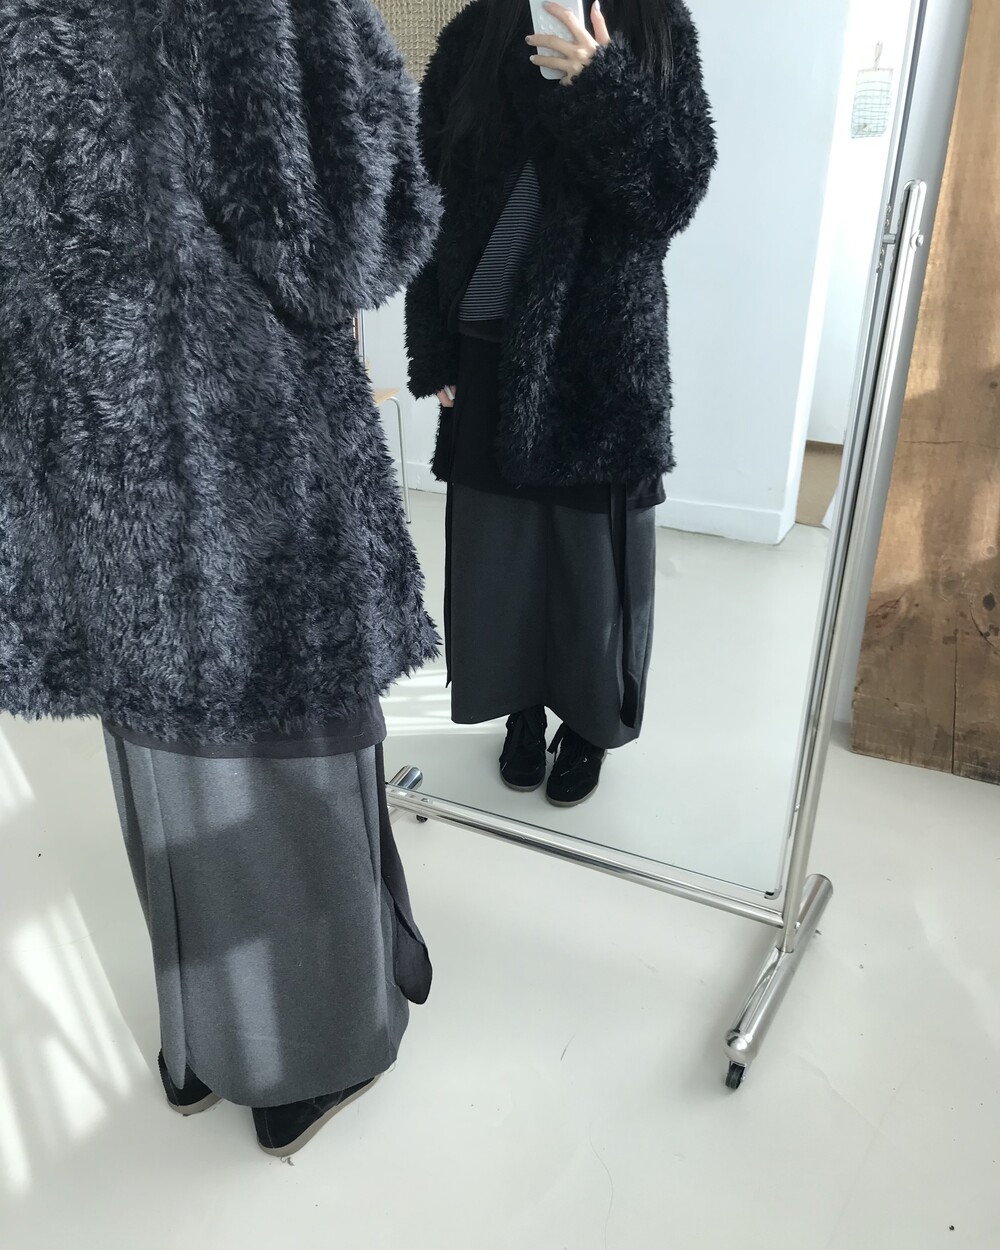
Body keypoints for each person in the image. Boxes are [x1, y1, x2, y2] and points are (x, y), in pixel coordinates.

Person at [0, 0, 440, 1155]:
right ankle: (306, 1057)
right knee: (280, 760)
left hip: (91, 462)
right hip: (240, 461)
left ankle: (201, 1041)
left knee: (166, 756)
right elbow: (357, 233)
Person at [406, 0, 716, 807]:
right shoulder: (476, 32)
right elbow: (427, 189)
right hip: (482, 340)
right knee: (497, 554)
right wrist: (434, 344)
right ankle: (519, 708)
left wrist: (602, 85)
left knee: (593, 562)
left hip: (598, 350)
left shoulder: (655, 24)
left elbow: (671, 194)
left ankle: (587, 724)